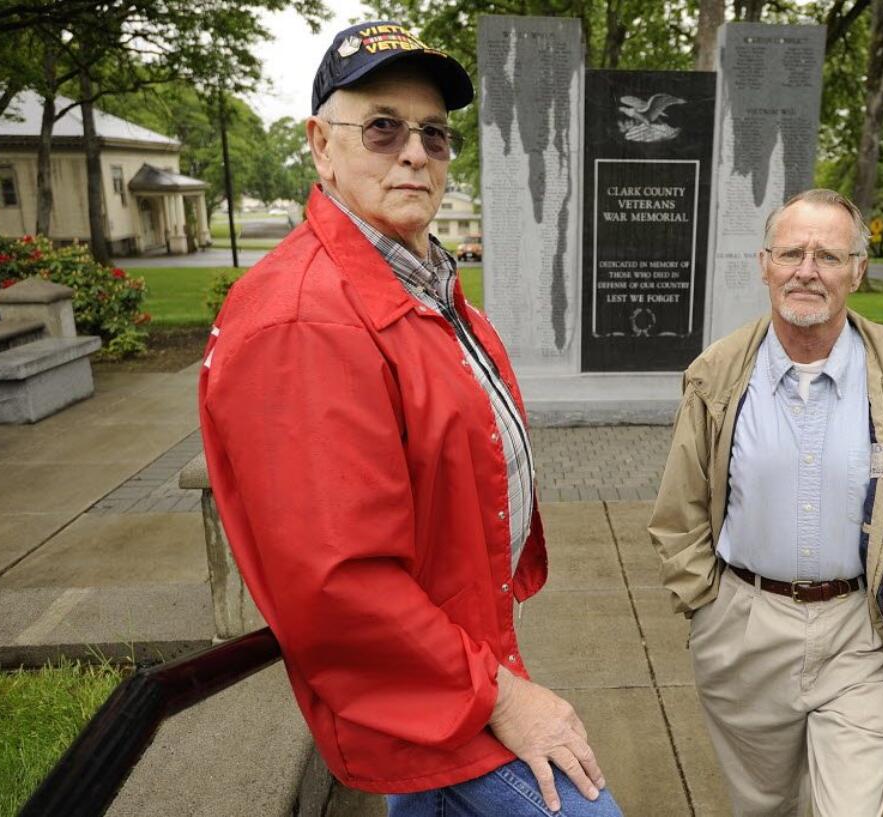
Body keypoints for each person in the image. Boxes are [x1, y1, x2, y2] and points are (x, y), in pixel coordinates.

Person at [198, 21, 622, 817]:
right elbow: (338, 585)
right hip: (434, 690)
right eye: (383, 127)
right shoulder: (305, 321)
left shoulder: (414, 276)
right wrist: (503, 697)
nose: (415, 152)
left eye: (434, 133)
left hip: (455, 654)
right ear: (322, 143)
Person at [648, 188, 883, 816]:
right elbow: (678, 511)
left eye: (828, 255)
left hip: (864, 631)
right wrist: (705, 606)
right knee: (763, 805)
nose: (807, 271)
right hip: (744, 629)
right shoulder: (715, 376)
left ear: (857, 270)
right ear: (765, 264)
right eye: (791, 252)